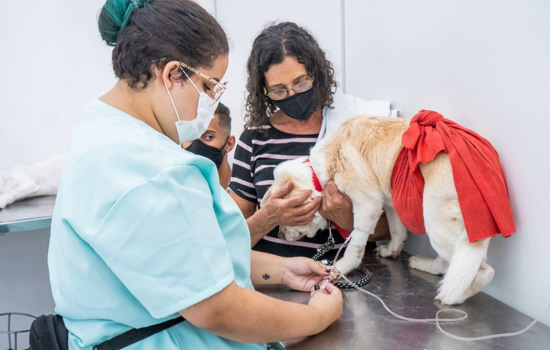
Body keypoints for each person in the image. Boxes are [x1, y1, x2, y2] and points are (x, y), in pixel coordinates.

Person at [48, 2, 342, 349]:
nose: (211, 104)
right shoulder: (153, 172)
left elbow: (189, 260)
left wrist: (282, 271)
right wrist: (318, 317)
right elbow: (218, 310)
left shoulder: (101, 127)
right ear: (173, 74)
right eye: (209, 86)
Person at [229, 22, 392, 258]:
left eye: (301, 83)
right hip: (276, 280)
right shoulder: (254, 138)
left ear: (316, 72)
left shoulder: (351, 129)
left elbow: (390, 229)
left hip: (345, 277)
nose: (292, 95)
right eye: (279, 91)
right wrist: (269, 217)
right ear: (262, 91)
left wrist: (345, 216)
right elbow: (231, 237)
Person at [183, 102, 235, 188]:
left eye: (209, 137)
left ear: (229, 143)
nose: (196, 145)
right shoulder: (174, 190)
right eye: (190, 136)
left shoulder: (243, 195)